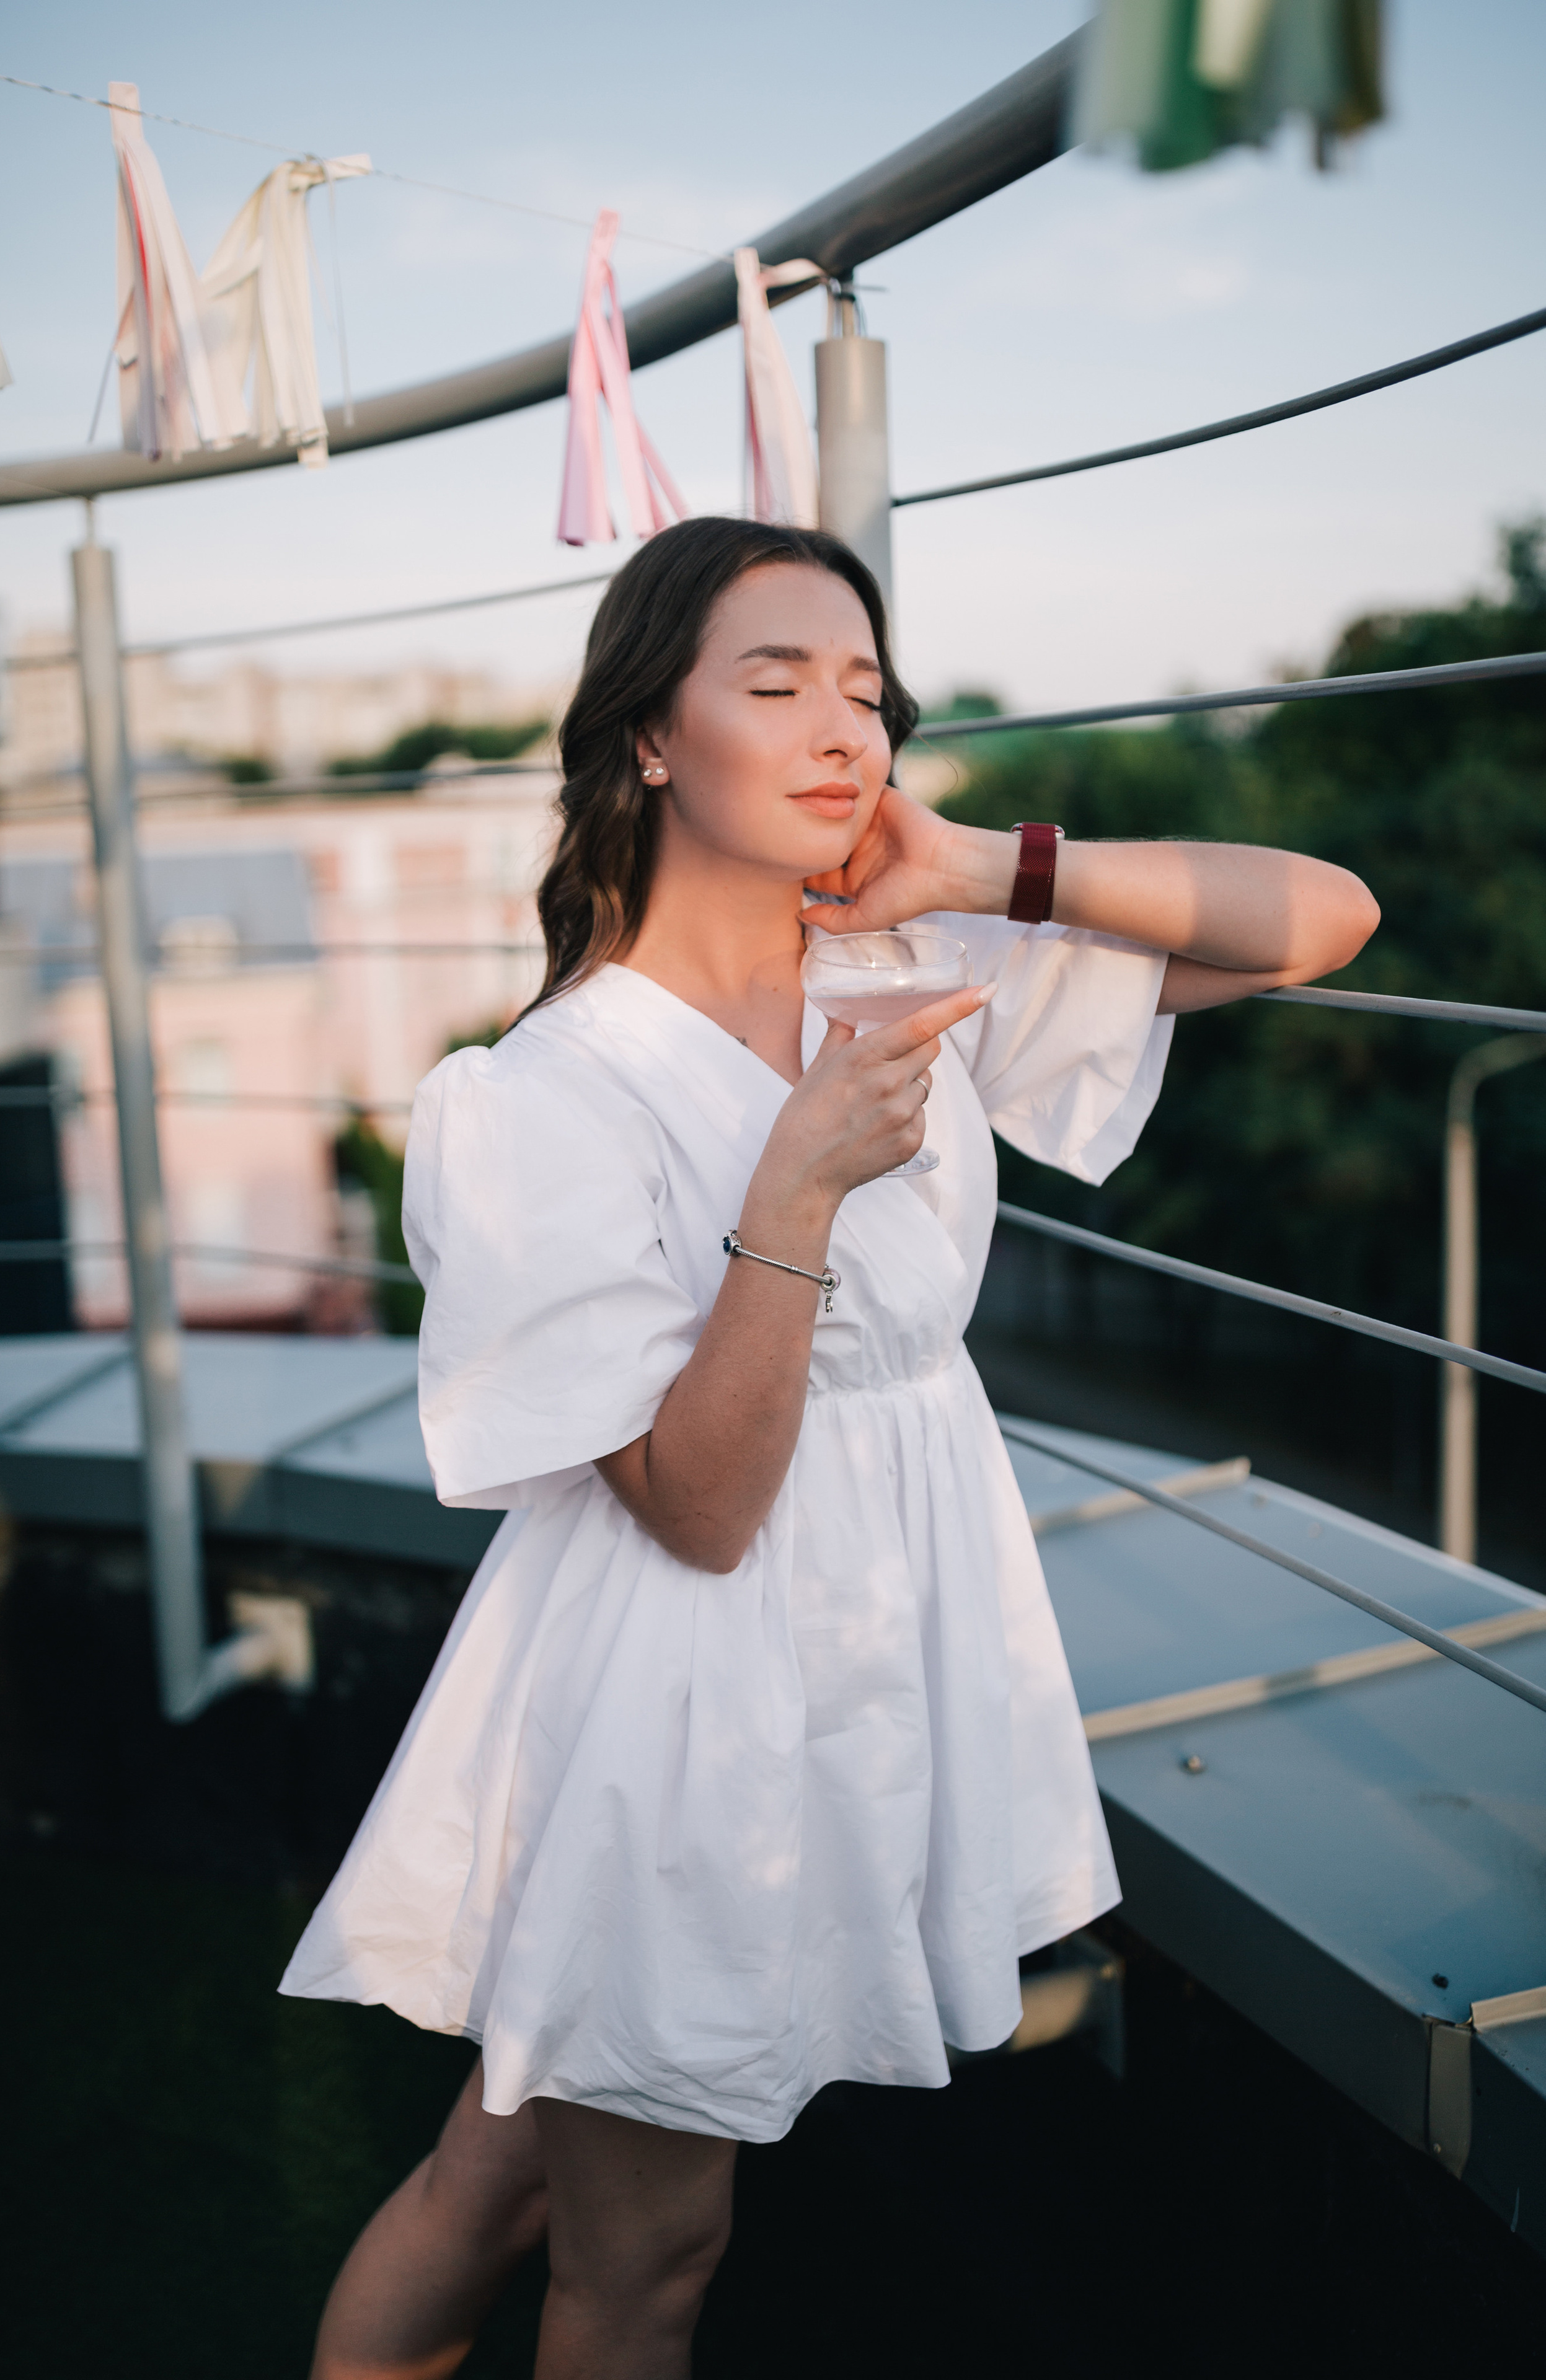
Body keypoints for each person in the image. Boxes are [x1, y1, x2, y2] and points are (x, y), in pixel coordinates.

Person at [282, 516, 1378, 2379]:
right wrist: (794, 1178)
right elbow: (701, 1511)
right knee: (642, 2255)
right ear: (647, 737)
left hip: (887, 1623)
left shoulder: (912, 955)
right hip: (685, 1679)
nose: (837, 727)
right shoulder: (540, 1098)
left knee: (508, 2169)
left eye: (864, 691)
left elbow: (1324, 917)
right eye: (772, 682)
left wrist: (981, 862)